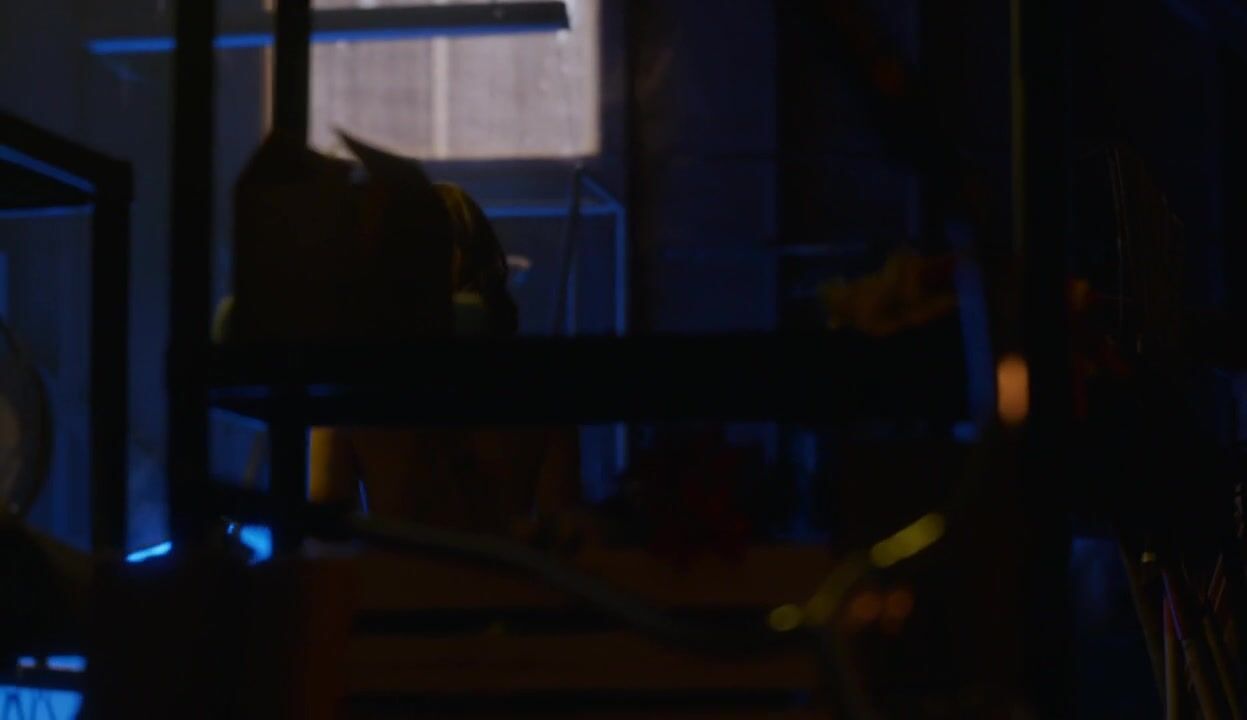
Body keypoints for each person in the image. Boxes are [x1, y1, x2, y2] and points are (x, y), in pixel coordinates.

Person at [308, 183, 584, 539]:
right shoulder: (540, 388)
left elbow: (326, 530)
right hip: (504, 573)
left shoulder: (350, 387)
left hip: (395, 572)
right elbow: (562, 531)